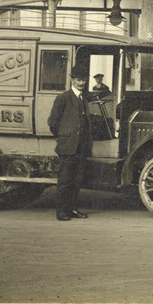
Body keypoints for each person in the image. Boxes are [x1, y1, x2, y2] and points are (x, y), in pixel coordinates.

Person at [47, 64, 92, 221]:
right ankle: (61, 212)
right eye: (78, 80)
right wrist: (63, 137)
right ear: (72, 80)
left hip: (81, 147)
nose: (81, 83)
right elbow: (53, 122)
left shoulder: (83, 98)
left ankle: (72, 209)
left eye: (84, 80)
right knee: (65, 181)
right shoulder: (63, 98)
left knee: (77, 181)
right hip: (68, 146)